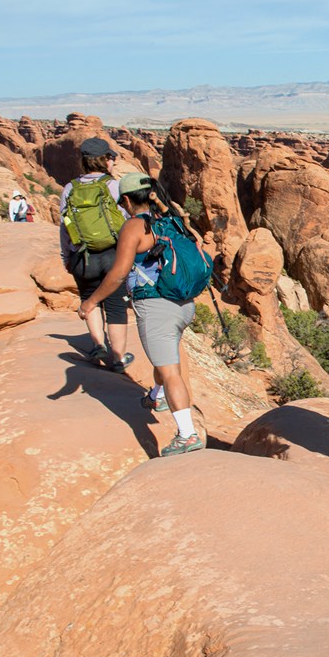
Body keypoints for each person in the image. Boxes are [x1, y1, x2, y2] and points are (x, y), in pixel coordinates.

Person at [78, 172, 204, 458]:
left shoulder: (134, 227)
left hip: (157, 305)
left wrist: (91, 302)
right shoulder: (170, 218)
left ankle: (187, 434)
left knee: (170, 370)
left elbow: (119, 273)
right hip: (184, 303)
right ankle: (156, 397)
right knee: (166, 355)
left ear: (124, 199)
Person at [61, 137, 133, 373]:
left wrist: (67, 257)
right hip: (113, 255)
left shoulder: (70, 188)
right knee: (116, 308)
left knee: (89, 299)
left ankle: (98, 345)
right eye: (110, 158)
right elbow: (127, 220)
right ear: (105, 160)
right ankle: (119, 358)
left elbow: (65, 226)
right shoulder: (113, 186)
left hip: (83, 256)